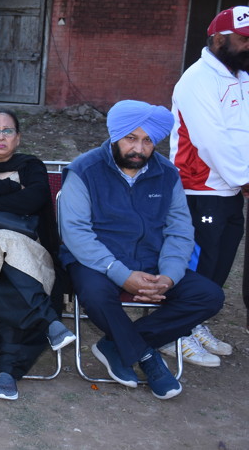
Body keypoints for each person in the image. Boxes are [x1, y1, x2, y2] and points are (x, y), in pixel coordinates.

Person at [59, 100, 224, 400]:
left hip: (152, 261)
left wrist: (169, 276)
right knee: (95, 295)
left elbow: (179, 230)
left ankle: (116, 344)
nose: (139, 148)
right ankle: (146, 356)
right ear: (115, 136)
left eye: (147, 140)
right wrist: (122, 275)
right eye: (131, 138)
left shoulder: (167, 173)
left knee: (209, 296)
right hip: (97, 261)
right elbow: (76, 233)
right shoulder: (84, 170)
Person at [0, 110, 75, 400]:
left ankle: (9, 369)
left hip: (28, 246)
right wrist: (9, 188)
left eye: (7, 131)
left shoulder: (31, 165)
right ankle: (44, 325)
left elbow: (34, 198)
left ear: (17, 138)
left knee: (5, 283)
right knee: (8, 262)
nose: (1, 136)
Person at [169, 5, 249, 363]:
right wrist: (245, 179)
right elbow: (211, 140)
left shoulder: (241, 77)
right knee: (196, 265)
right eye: (243, 39)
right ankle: (175, 333)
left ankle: (195, 321)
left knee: (219, 264)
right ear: (218, 39)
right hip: (199, 190)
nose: (248, 46)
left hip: (230, 189)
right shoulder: (197, 80)